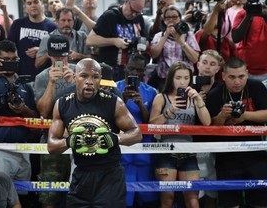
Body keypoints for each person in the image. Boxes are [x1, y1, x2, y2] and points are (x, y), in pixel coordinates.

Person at [47, 58, 142, 208]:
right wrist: (68, 142)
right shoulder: (63, 104)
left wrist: (115, 138)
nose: (89, 81)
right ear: (74, 77)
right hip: (81, 175)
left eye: (95, 77)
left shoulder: (113, 102)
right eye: (84, 76)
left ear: (100, 79)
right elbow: (51, 146)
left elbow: (137, 133)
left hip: (109, 176)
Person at [0, 40, 39, 207]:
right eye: (6, 60)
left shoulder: (24, 84)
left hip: (22, 149)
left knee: (20, 197)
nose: (11, 63)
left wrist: (24, 109)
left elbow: (35, 116)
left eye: (14, 59)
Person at [205, 57, 267, 208]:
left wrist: (245, 116)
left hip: (256, 153)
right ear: (223, 76)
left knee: (260, 202)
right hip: (227, 156)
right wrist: (221, 116)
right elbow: (210, 128)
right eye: (232, 77)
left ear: (247, 73)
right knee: (230, 203)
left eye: (241, 76)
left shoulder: (256, 87)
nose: (237, 82)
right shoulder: (215, 94)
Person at [149, 61, 211, 208]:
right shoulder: (161, 97)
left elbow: (207, 122)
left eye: (185, 78)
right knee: (167, 200)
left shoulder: (194, 99)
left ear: (190, 79)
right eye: (178, 78)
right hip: (166, 153)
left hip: (188, 154)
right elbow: (152, 125)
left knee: (193, 200)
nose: (182, 82)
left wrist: (198, 100)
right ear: (171, 78)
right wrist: (171, 110)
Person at [34, 35, 75, 208]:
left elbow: (91, 104)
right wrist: (51, 83)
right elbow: (43, 111)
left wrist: (74, 84)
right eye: (55, 55)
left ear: (69, 54)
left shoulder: (79, 72)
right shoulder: (42, 77)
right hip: (52, 141)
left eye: (62, 55)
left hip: (78, 141)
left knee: (78, 194)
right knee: (49, 196)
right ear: (49, 55)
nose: (59, 59)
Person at [116, 53, 158, 208]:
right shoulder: (114, 87)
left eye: (138, 70)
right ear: (125, 67)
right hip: (122, 151)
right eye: (131, 68)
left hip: (143, 151)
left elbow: (152, 122)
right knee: (122, 198)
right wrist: (123, 99)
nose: (134, 72)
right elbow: (109, 117)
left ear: (143, 73)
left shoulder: (152, 92)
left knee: (146, 199)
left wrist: (141, 104)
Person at [86, 0, 147, 81]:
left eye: (138, 13)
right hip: (111, 69)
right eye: (132, 11)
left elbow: (145, 39)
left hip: (131, 70)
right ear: (126, 1)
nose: (134, 15)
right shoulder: (110, 16)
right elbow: (90, 40)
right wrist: (114, 41)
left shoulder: (139, 18)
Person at [193, 50, 223, 208]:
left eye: (212, 64)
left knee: (213, 192)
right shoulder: (186, 86)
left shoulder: (222, 89)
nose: (207, 67)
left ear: (218, 68)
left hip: (215, 146)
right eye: (204, 62)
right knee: (193, 194)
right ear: (198, 64)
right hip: (190, 145)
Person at [8, 0, 57, 81]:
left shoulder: (53, 27)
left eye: (36, 2)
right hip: (21, 76)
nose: (33, 5)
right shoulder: (17, 24)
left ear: (42, 5)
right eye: (29, 3)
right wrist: (12, 70)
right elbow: (9, 48)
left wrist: (41, 50)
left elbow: (58, 50)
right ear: (26, 8)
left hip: (45, 77)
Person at [150, 5, 200, 91]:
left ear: (180, 18)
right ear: (164, 20)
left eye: (174, 17)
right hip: (164, 80)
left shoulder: (189, 35)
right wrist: (165, 35)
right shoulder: (159, 36)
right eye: (168, 18)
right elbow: (154, 55)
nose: (171, 20)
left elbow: (195, 58)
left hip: (185, 80)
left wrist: (181, 41)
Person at [232, 0, 267, 81]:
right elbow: (236, 38)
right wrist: (248, 15)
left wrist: (265, 16)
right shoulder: (242, 14)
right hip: (245, 70)